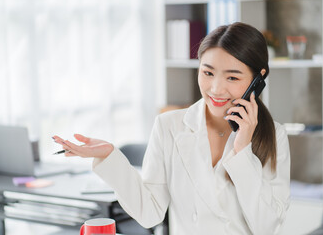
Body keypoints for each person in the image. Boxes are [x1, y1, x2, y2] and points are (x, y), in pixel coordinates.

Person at [53, 22, 290, 235]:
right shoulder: (169, 126)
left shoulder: (274, 135)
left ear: (257, 80)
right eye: (208, 73)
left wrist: (243, 150)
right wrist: (110, 158)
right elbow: (149, 214)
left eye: (232, 78)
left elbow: (267, 227)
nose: (216, 89)